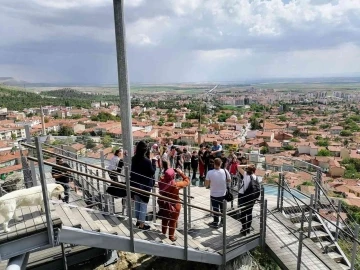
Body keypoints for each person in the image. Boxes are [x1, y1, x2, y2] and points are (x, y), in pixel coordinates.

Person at [130, 141, 156, 230]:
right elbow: (152, 171)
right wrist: (154, 162)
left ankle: (138, 220)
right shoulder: (147, 161)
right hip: (144, 186)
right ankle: (142, 224)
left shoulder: (133, 159)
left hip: (135, 184)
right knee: (143, 204)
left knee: (137, 202)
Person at [158, 167, 189, 241]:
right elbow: (187, 181)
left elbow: (165, 176)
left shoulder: (161, 181)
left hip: (164, 203)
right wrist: (181, 173)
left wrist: (171, 171)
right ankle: (171, 237)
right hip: (174, 204)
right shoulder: (176, 184)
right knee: (173, 221)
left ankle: (163, 233)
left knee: (164, 218)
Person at [205, 158, 231, 228]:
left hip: (214, 194)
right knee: (223, 209)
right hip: (223, 194)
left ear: (214, 164)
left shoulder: (209, 172)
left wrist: (212, 182)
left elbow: (206, 185)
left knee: (215, 209)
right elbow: (229, 180)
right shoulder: (225, 171)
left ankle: (216, 222)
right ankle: (222, 222)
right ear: (221, 164)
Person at [237, 164, 258, 236]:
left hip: (243, 196)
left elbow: (238, 166)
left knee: (243, 213)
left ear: (247, 170)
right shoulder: (255, 177)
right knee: (249, 213)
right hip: (251, 197)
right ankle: (248, 228)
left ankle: (244, 229)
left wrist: (246, 165)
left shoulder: (246, 175)